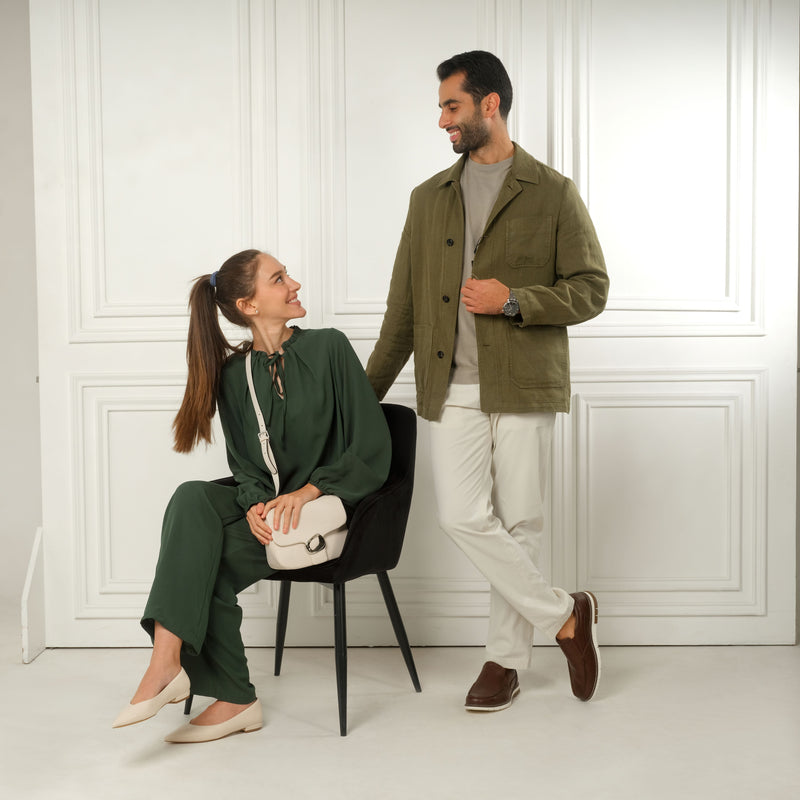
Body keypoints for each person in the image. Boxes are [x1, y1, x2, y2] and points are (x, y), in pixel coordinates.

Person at [366, 51, 609, 710]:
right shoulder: (428, 200)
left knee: (521, 520)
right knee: (463, 516)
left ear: (490, 104)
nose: (442, 119)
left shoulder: (552, 192)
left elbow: (592, 290)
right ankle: (565, 614)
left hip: (526, 380)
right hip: (450, 388)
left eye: (452, 105)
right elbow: (403, 313)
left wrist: (512, 299)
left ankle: (504, 661)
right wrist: (363, 398)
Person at [112, 249, 391, 742]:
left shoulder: (329, 348)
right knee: (190, 498)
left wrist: (307, 491)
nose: (295, 284)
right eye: (279, 279)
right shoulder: (232, 376)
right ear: (249, 305)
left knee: (208, 564)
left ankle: (221, 692)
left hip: (324, 517)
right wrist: (254, 503)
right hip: (272, 520)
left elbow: (371, 445)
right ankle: (175, 668)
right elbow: (246, 464)